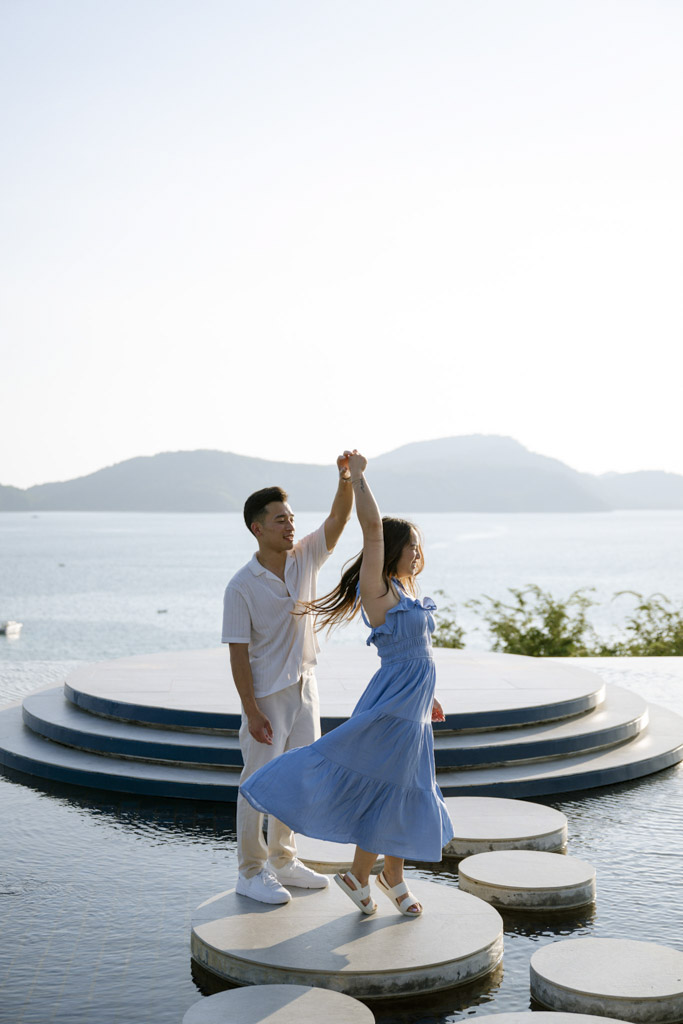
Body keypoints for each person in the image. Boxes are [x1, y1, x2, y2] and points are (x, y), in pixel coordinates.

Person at [240, 452, 454, 917]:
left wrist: (429, 694)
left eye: (420, 546)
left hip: (412, 705)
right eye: (411, 545)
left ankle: (384, 874)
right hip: (393, 707)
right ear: (393, 548)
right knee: (392, 786)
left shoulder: (409, 591)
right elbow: (371, 529)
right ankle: (361, 873)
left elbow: (418, 656)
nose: (418, 553)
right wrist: (358, 478)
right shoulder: (380, 592)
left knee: (403, 788)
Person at [222, 454, 355, 904]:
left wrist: (346, 479)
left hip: (306, 684)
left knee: (297, 777)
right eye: (280, 520)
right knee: (257, 784)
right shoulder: (241, 586)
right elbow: (237, 655)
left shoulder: (304, 559)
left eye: (292, 518)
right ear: (257, 528)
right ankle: (250, 870)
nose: (290, 526)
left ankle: (283, 858)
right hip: (266, 694)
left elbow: (339, 518)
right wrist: (252, 709)